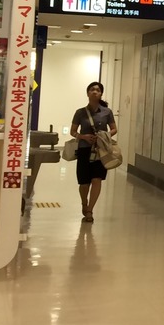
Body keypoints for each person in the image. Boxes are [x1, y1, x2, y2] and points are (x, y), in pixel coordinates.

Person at [69, 81, 117, 223]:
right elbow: (73, 131)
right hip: (84, 149)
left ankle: (90, 210)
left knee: (97, 179)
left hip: (101, 151)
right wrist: (83, 136)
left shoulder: (107, 112)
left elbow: (114, 129)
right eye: (92, 89)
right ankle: (84, 202)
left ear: (101, 94)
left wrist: (104, 136)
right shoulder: (80, 112)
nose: (95, 92)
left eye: (98, 90)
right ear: (87, 93)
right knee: (84, 183)